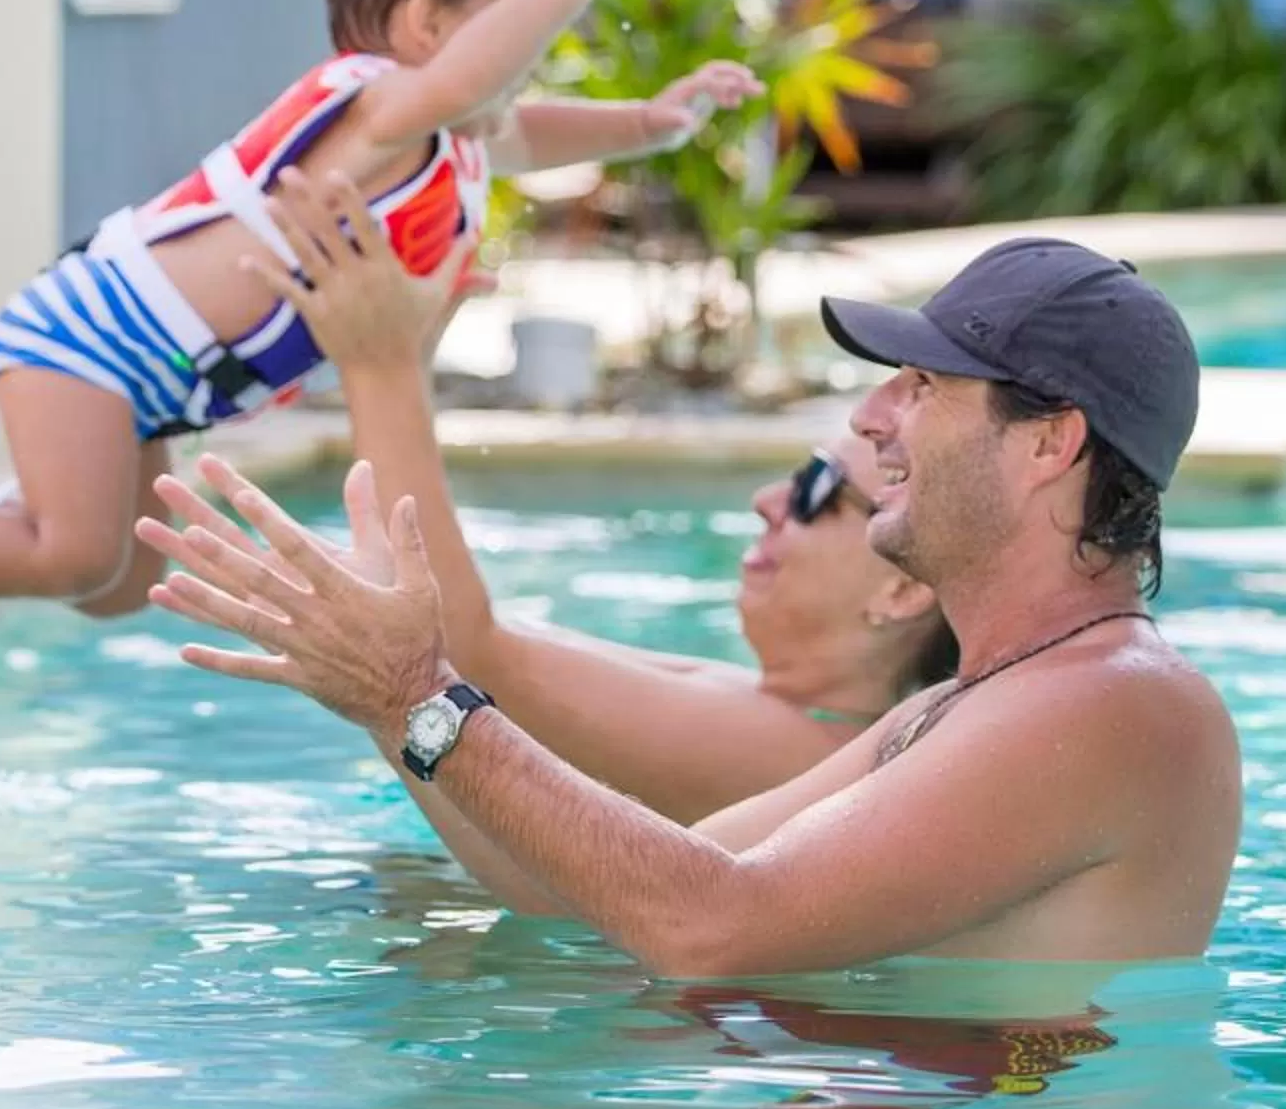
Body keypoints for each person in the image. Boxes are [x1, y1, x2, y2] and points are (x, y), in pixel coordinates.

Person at [0, 0, 764, 680]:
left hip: (157, 377)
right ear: (426, 24)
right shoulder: (374, 107)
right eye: (515, 27)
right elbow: (473, 80)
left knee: (120, 582)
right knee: (72, 551)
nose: (526, 62)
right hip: (88, 338)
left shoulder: (452, 137)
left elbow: (533, 130)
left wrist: (651, 121)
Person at [140, 237, 1244, 972]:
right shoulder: (959, 706)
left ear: (1050, 443)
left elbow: (709, 922)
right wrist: (387, 702)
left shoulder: (1121, 704)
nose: (875, 416)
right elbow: (586, 891)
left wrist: (422, 696)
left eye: (922, 384)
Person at [248, 168, 955, 825]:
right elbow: (488, 644)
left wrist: (380, 362)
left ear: (900, 591)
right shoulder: (776, 707)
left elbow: (454, 654)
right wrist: (407, 343)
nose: (768, 501)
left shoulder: (797, 753)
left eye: (815, 489)